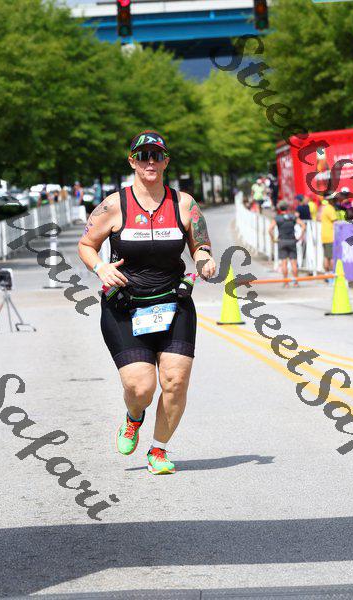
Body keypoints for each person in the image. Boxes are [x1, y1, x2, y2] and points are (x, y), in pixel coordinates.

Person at [78, 130, 216, 475]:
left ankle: (158, 449)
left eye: (156, 156)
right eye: (143, 156)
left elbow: (200, 244)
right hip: (125, 307)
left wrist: (204, 259)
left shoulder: (184, 204)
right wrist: (101, 267)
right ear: (132, 161)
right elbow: (86, 245)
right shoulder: (114, 205)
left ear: (166, 161)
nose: (150, 162)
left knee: (175, 381)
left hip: (174, 303)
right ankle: (133, 417)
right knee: (140, 387)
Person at [269, 200, 306, 287]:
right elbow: (303, 225)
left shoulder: (277, 218)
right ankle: (296, 282)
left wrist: (273, 239)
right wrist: (300, 237)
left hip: (282, 241)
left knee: (284, 263)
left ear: (279, 208)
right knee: (294, 263)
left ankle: (286, 283)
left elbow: (270, 229)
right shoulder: (293, 217)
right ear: (287, 208)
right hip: (292, 241)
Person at [318, 193, 338, 278]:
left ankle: (326, 274)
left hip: (324, 235)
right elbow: (335, 222)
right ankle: (331, 274)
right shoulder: (330, 209)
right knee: (332, 257)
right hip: (330, 236)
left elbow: (318, 218)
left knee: (326, 256)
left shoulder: (325, 208)